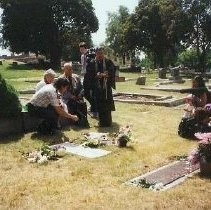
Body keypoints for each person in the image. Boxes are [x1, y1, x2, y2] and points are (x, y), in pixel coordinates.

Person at [87, 47, 116, 127]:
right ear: (96, 54)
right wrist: (96, 76)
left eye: (101, 53)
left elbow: (112, 71)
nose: (100, 55)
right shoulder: (92, 62)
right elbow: (89, 74)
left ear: (104, 53)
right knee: (99, 105)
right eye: (98, 53)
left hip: (106, 87)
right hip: (97, 87)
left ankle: (108, 122)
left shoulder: (108, 62)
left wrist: (107, 74)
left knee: (107, 105)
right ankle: (102, 122)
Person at [59, 62, 89, 127]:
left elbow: (81, 87)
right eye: (68, 69)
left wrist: (80, 94)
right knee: (71, 103)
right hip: (66, 98)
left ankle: (82, 120)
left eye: (71, 69)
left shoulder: (76, 77)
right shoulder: (61, 78)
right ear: (64, 69)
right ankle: (73, 120)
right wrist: (71, 96)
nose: (70, 71)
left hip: (77, 97)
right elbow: (62, 92)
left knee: (82, 104)